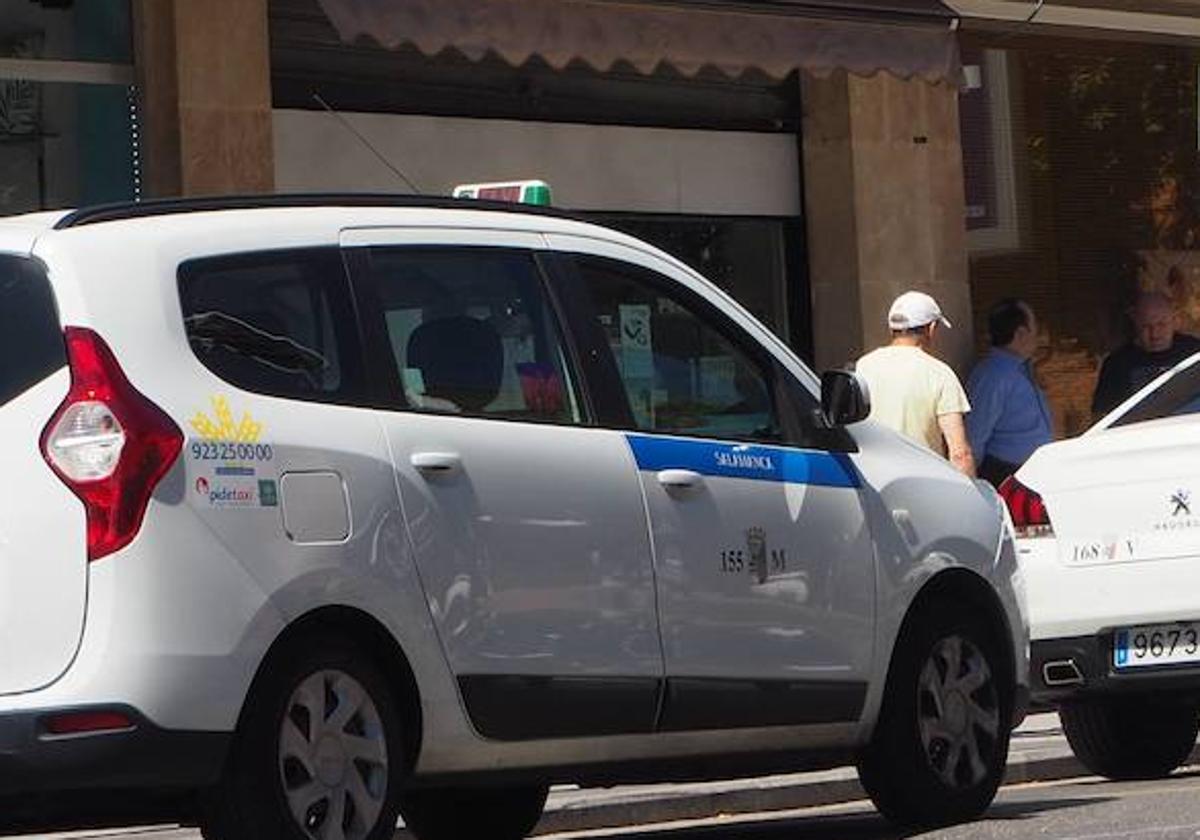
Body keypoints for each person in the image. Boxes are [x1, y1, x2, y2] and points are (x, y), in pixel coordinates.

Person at [856, 290, 975, 477]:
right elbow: (960, 454)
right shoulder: (940, 373)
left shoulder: (863, 366)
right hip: (923, 484)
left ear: (891, 329)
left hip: (874, 481)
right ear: (931, 328)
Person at [966, 298, 1054, 488]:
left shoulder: (1022, 369)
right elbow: (975, 435)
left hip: (1034, 473)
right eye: (1035, 329)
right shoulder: (993, 376)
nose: (1038, 336)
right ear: (1021, 334)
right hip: (1007, 476)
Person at [1091, 291, 1200, 418]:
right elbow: (1101, 414)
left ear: (1174, 320)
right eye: (1146, 327)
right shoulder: (1117, 364)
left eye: (1162, 325)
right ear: (1135, 322)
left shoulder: (1194, 352)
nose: (1155, 334)